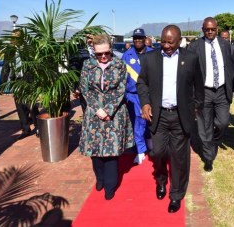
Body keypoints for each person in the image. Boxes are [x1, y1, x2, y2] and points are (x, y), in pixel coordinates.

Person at [136, 25, 204, 213]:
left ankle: (176, 194)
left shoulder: (190, 59)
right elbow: (142, 82)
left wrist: (196, 108)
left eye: (170, 42)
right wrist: (145, 103)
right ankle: (160, 181)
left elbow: (199, 86)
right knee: (158, 153)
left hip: (181, 115)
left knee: (179, 158)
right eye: (163, 41)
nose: (165, 45)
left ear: (179, 41)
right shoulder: (150, 58)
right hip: (159, 115)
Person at [79, 34, 134, 200]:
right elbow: (85, 89)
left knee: (111, 151)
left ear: (111, 50)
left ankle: (110, 185)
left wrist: (108, 110)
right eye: (99, 54)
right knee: (95, 150)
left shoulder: (119, 65)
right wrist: (97, 108)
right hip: (93, 113)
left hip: (114, 114)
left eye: (106, 53)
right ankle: (100, 178)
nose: (103, 57)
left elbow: (121, 89)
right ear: (94, 52)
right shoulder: (87, 65)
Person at [187, 17, 234, 172]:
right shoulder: (194, 47)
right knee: (204, 126)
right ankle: (208, 157)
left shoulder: (225, 45)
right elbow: (188, 73)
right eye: (207, 29)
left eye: (212, 29)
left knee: (222, 122)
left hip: (221, 91)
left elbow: (232, 69)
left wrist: (232, 89)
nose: (209, 32)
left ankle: (214, 141)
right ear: (202, 29)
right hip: (204, 92)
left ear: (217, 29)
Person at [0, 29, 39, 139]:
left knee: (31, 105)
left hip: (28, 80)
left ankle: (38, 127)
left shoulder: (28, 48)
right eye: (12, 37)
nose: (14, 39)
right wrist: (2, 84)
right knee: (20, 106)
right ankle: (25, 129)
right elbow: (5, 67)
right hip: (16, 80)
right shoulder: (9, 50)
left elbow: (35, 66)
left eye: (16, 37)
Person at [122, 28, 153, 164]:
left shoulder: (153, 53)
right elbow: (122, 78)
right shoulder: (127, 55)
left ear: (145, 39)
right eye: (135, 38)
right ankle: (140, 151)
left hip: (150, 94)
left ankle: (149, 143)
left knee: (149, 121)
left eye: (140, 38)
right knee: (137, 123)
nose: (138, 40)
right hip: (133, 96)